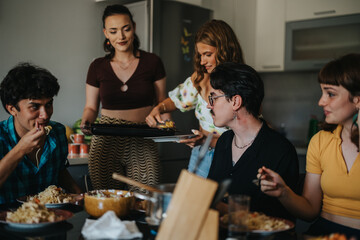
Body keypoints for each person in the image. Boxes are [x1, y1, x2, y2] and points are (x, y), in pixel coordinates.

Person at [258, 53, 360, 238]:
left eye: (330, 94)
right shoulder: (320, 141)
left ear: (357, 99)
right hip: (322, 232)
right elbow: (310, 210)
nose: (321, 101)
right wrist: (283, 192)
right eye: (322, 93)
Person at [80, 5, 168, 191]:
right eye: (113, 31)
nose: (120, 36)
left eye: (125, 29)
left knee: (145, 200)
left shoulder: (153, 62)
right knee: (108, 203)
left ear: (133, 27)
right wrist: (86, 121)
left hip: (143, 137)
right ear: (106, 33)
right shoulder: (97, 66)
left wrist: (168, 128)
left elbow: (162, 104)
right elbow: (91, 107)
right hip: (106, 140)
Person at [146, 20, 245, 178]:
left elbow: (248, 137)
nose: (202, 61)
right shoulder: (200, 79)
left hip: (233, 158)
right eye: (200, 55)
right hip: (202, 156)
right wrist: (158, 109)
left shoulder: (243, 83)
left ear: (225, 50)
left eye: (208, 54)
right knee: (192, 202)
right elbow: (178, 99)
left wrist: (206, 140)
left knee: (224, 202)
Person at [207, 62, 299, 221]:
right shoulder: (224, 141)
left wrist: (225, 209)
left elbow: (278, 219)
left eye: (213, 98)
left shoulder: (280, 150)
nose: (209, 105)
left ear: (235, 101)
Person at [0, 63, 81, 204]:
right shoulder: (2, 137)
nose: (44, 115)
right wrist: (20, 149)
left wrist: (81, 195)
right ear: (12, 109)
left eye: (49, 104)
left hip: (50, 217)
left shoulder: (58, 132)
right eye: (34, 106)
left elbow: (59, 170)